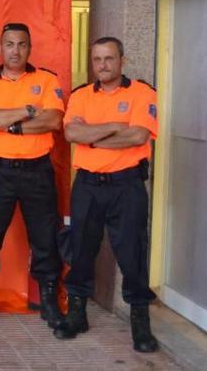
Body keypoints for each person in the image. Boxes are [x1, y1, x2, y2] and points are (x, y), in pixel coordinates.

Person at [55, 37, 159, 353]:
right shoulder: (81, 95)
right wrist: (116, 127)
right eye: (97, 59)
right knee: (81, 249)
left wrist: (94, 137)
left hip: (126, 186)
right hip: (87, 185)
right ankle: (76, 314)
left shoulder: (143, 93)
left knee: (132, 253)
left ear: (122, 61)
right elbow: (72, 133)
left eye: (109, 58)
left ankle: (140, 323)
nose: (103, 65)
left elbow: (138, 135)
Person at [0, 23, 65, 328]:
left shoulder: (47, 80)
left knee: (45, 237)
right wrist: (28, 110)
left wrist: (9, 123)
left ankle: (49, 301)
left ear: (29, 48)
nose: (15, 50)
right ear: (0, 48)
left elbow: (54, 120)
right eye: (9, 44)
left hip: (37, 170)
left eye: (22, 44)